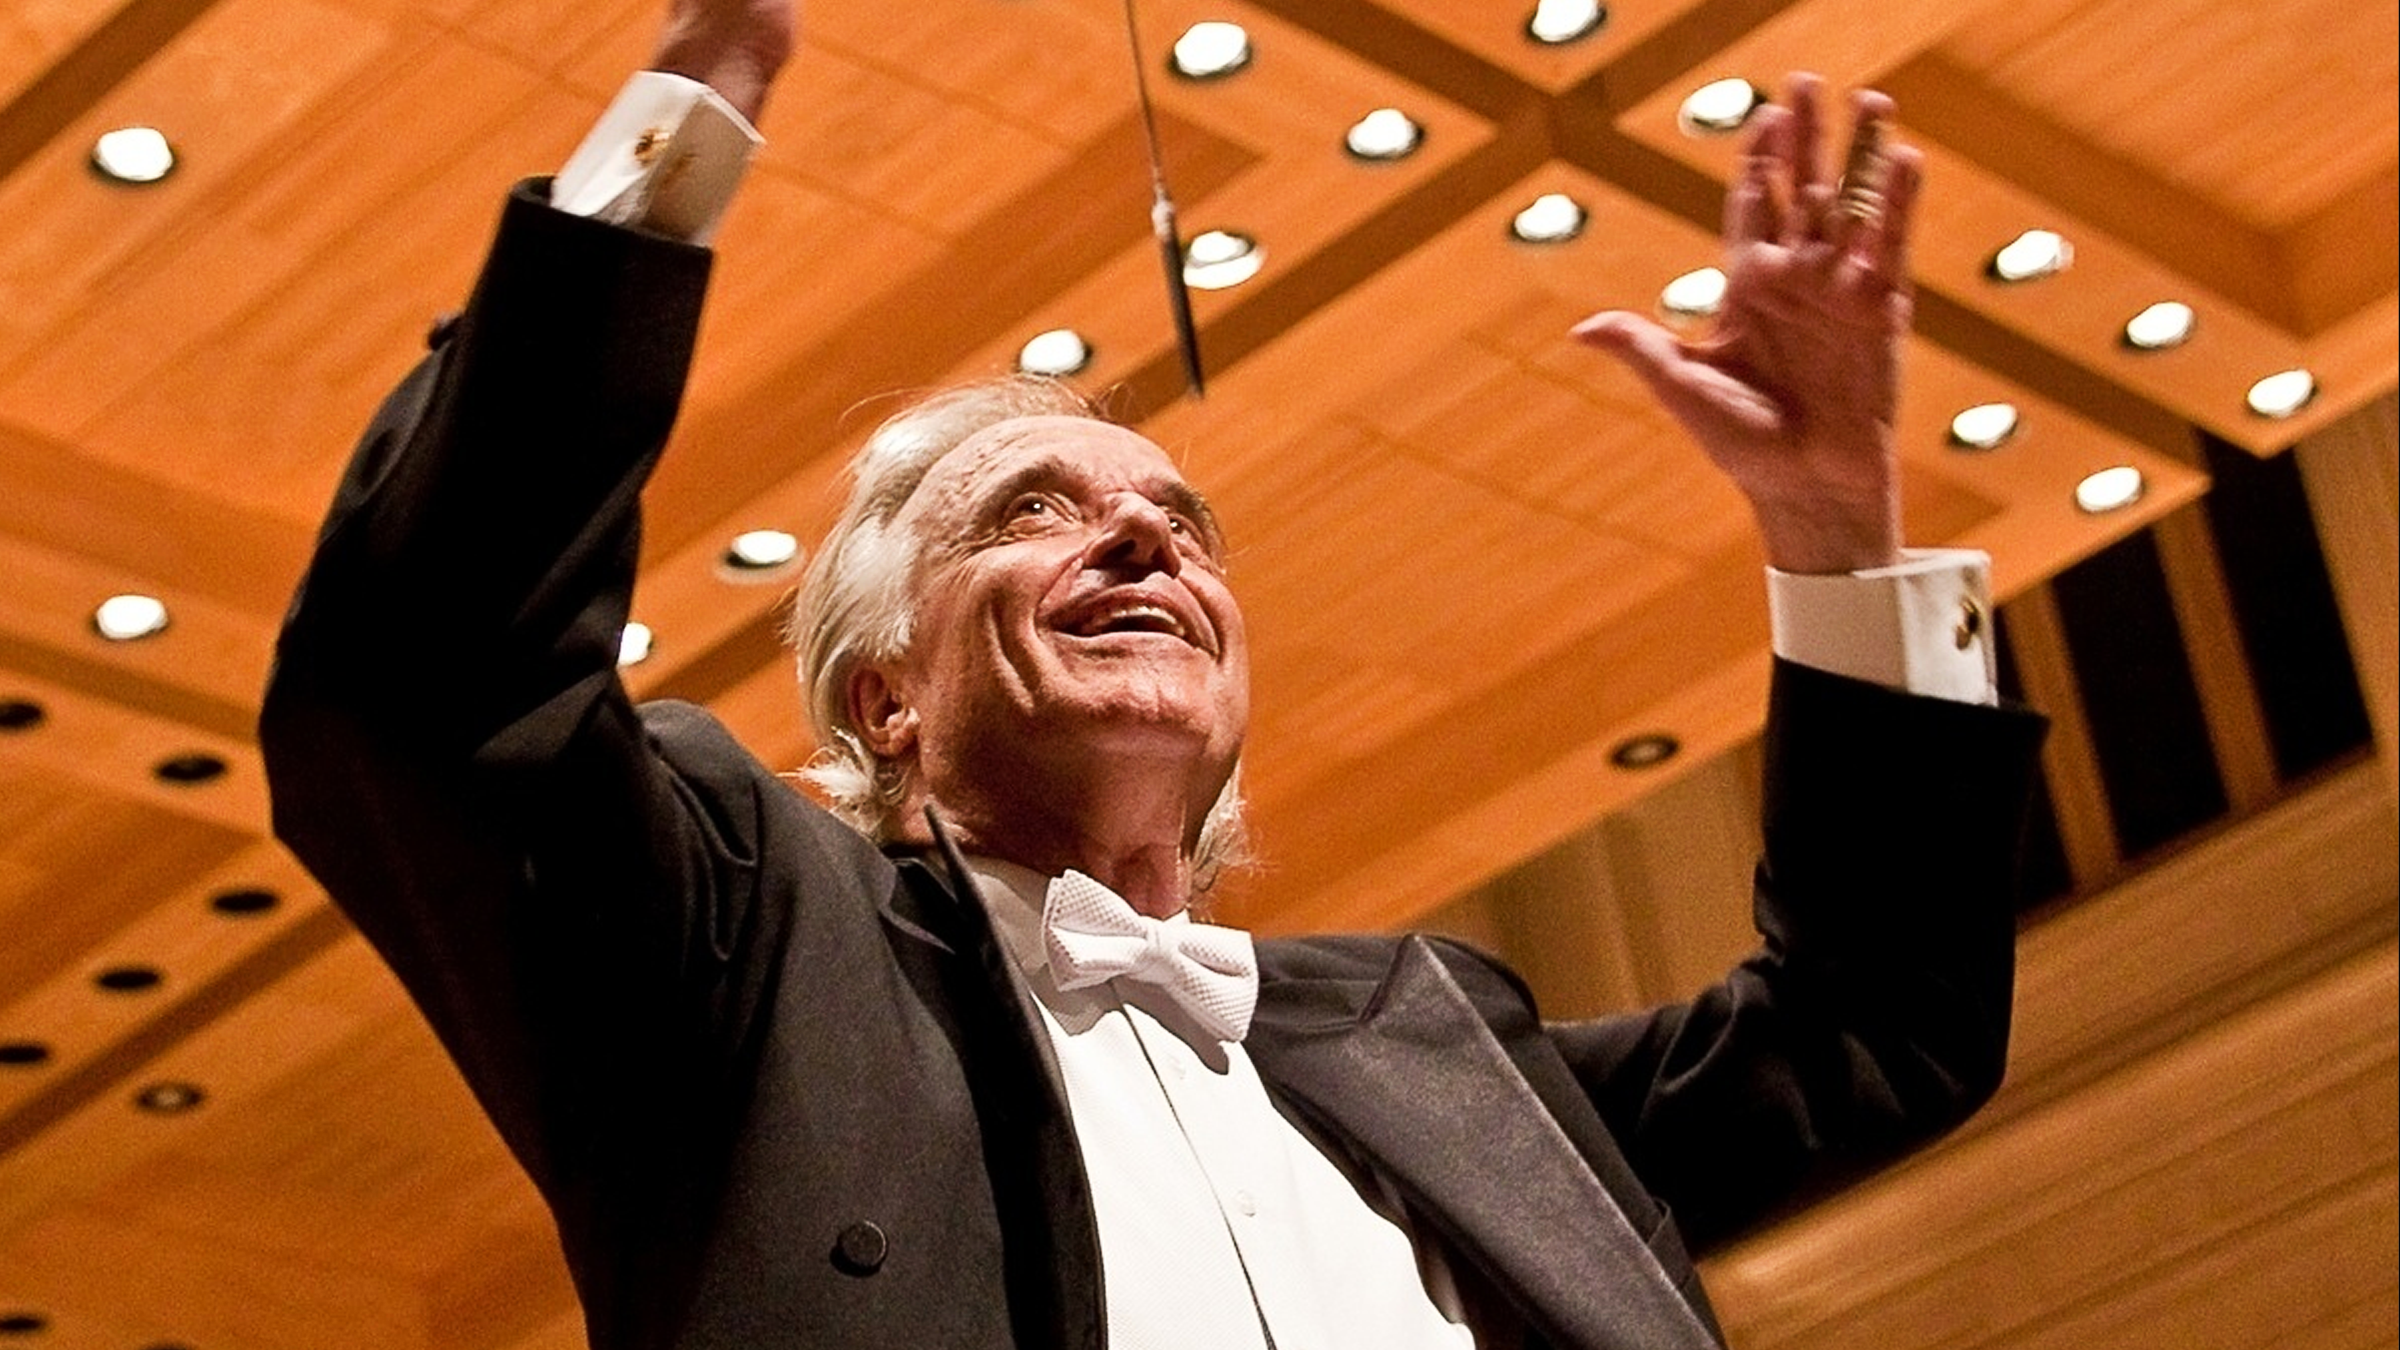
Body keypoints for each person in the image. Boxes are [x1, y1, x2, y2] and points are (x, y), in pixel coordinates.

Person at [260, 0, 2048, 1345]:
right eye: (1032, 511)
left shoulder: (1440, 1042)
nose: (1148, 546)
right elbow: (422, 686)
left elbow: (1879, 1025)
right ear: (882, 698)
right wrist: (692, 106)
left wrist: (1837, 531)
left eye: (1185, 527)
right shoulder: (754, 958)